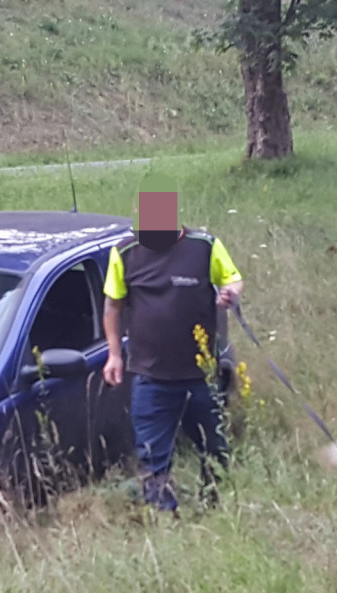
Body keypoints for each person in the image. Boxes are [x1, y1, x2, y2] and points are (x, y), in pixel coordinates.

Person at [102, 172, 244, 513]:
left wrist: (230, 294)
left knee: (215, 449)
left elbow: (233, 278)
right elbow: (112, 305)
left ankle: (215, 508)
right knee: (153, 455)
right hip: (150, 377)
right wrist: (113, 355)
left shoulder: (204, 246)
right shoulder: (125, 252)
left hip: (202, 375)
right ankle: (165, 515)